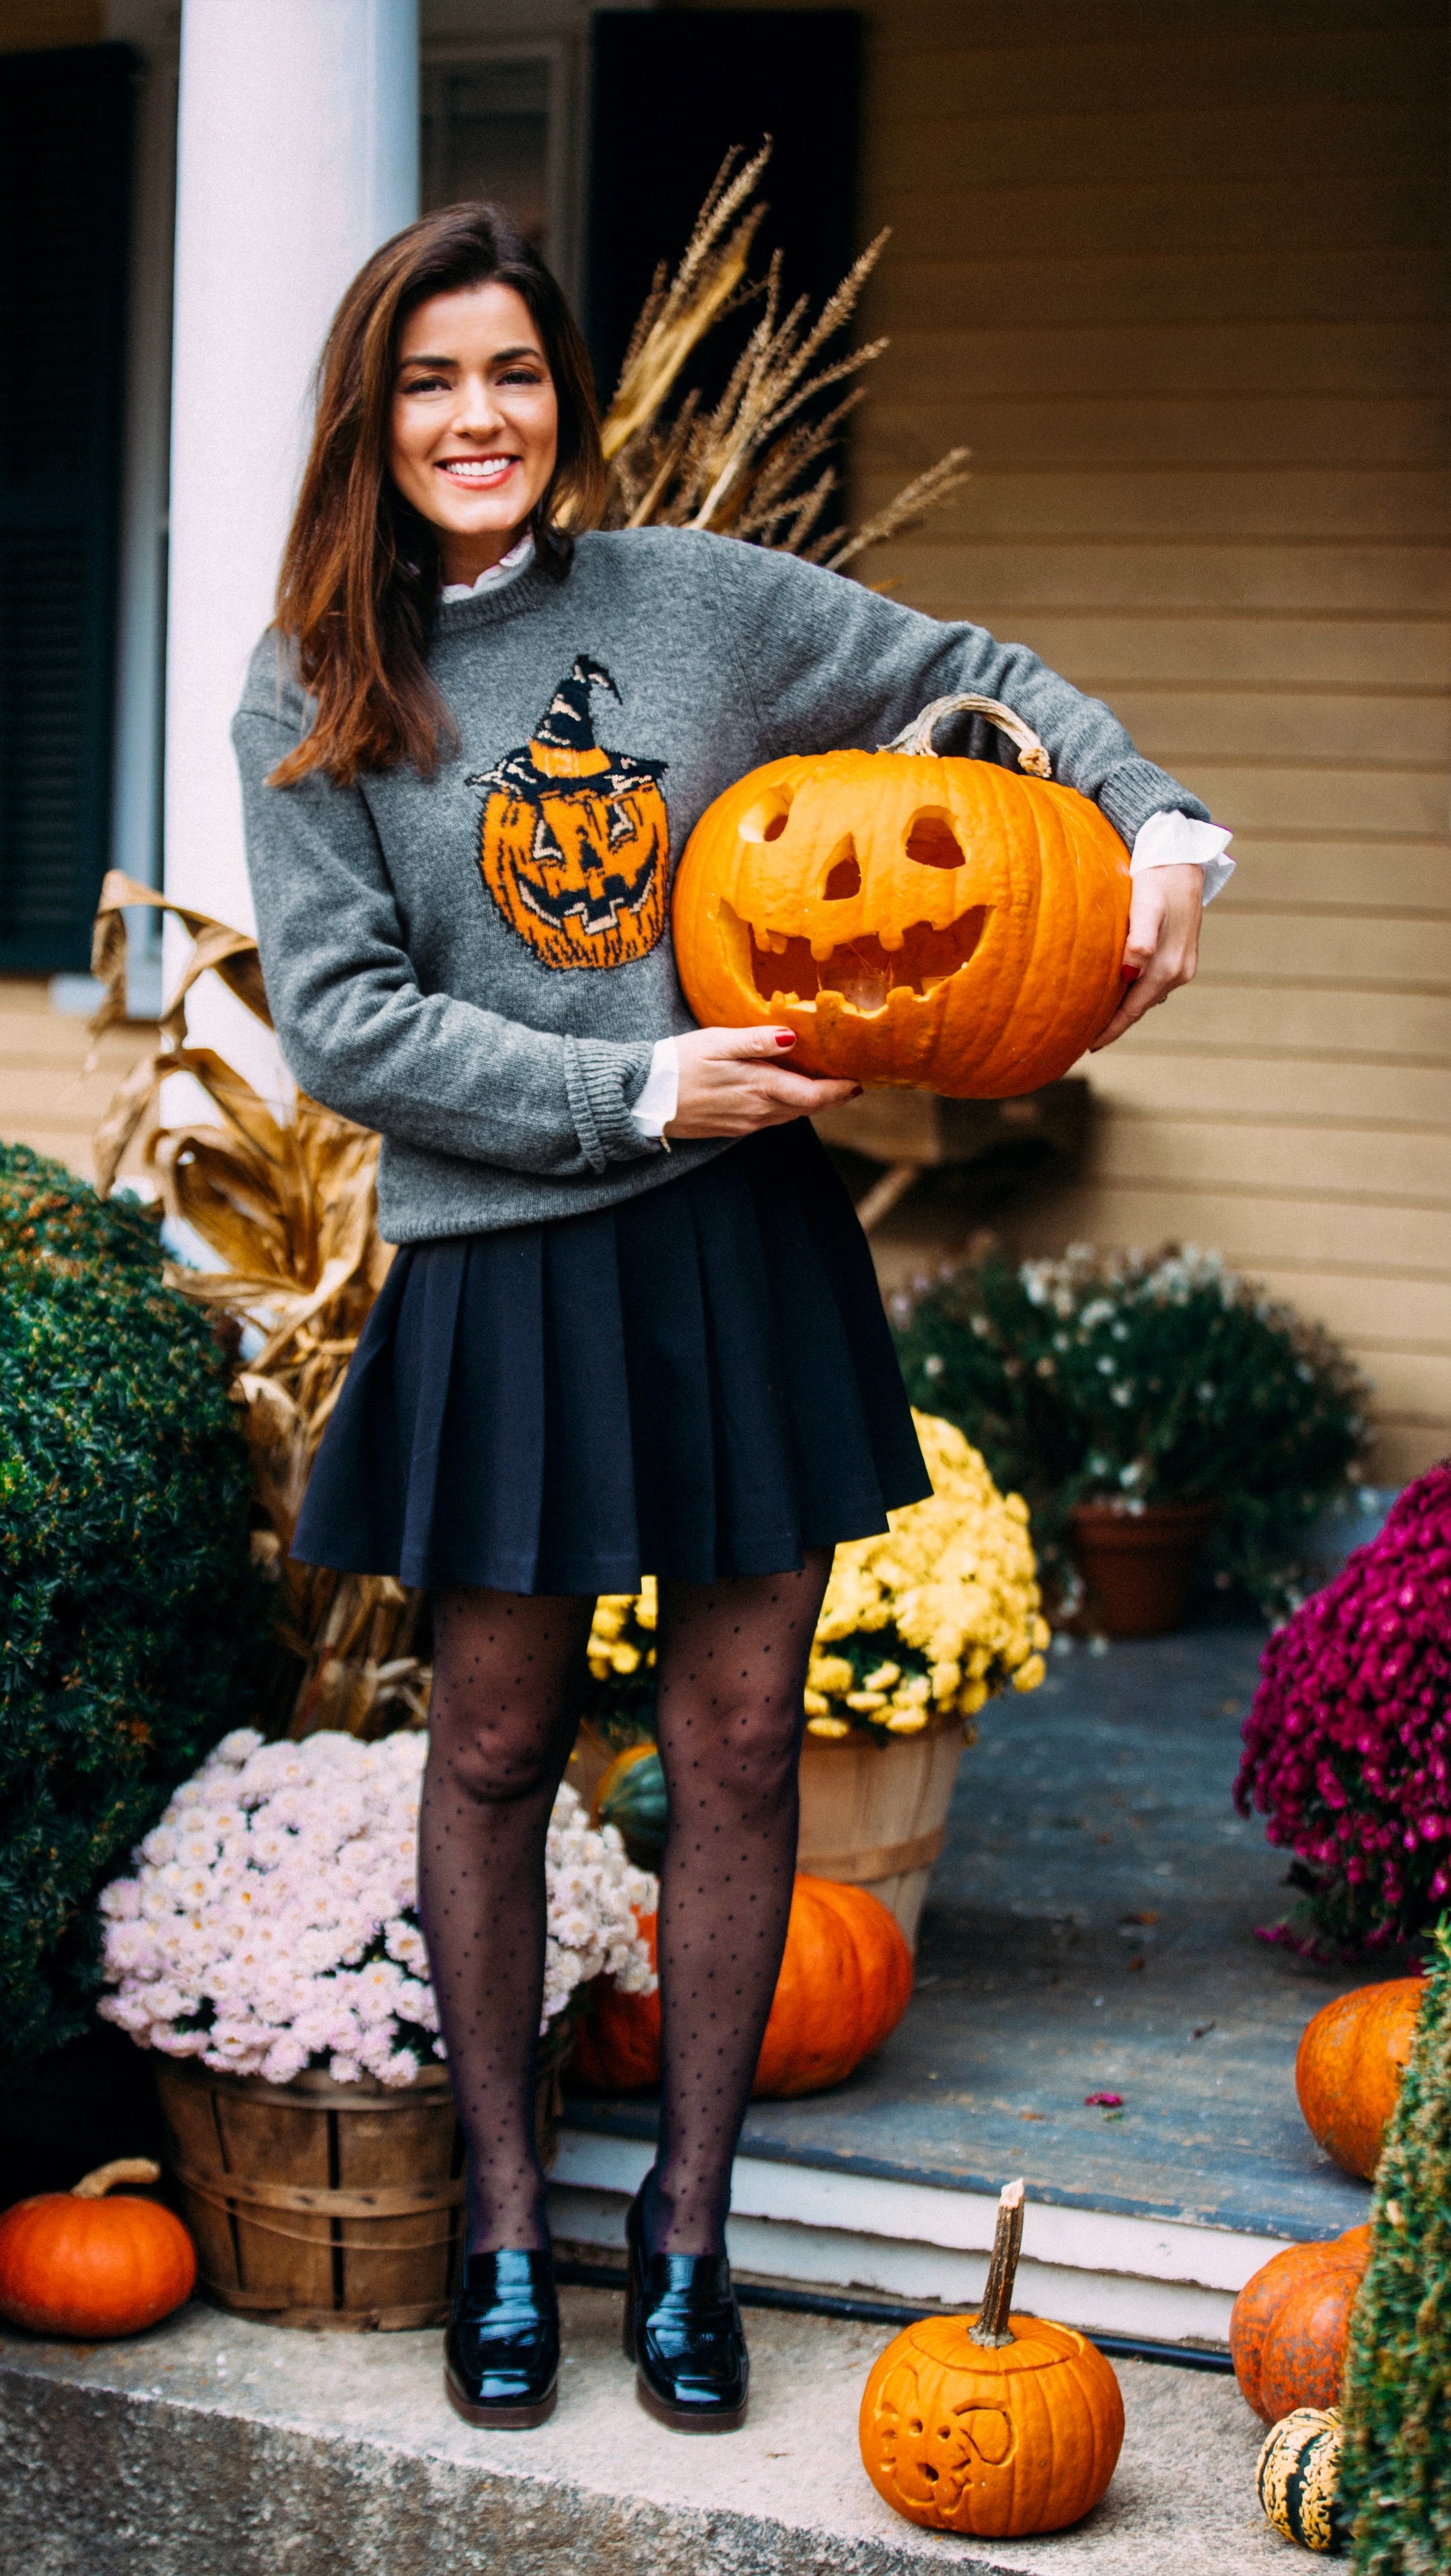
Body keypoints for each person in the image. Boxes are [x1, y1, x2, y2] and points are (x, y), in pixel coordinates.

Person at [234, 203, 1230, 2436]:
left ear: (559, 402)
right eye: (430, 382)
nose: (476, 419)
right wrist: (636, 1080)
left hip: (736, 1259)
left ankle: (686, 2235)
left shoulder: (689, 603)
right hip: (507, 1263)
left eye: (511, 376)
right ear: (370, 417)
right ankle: (506, 2221)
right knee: (494, 1746)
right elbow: (347, 1022)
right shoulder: (310, 683)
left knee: (744, 1745)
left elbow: (963, 669)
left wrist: (1157, 826)